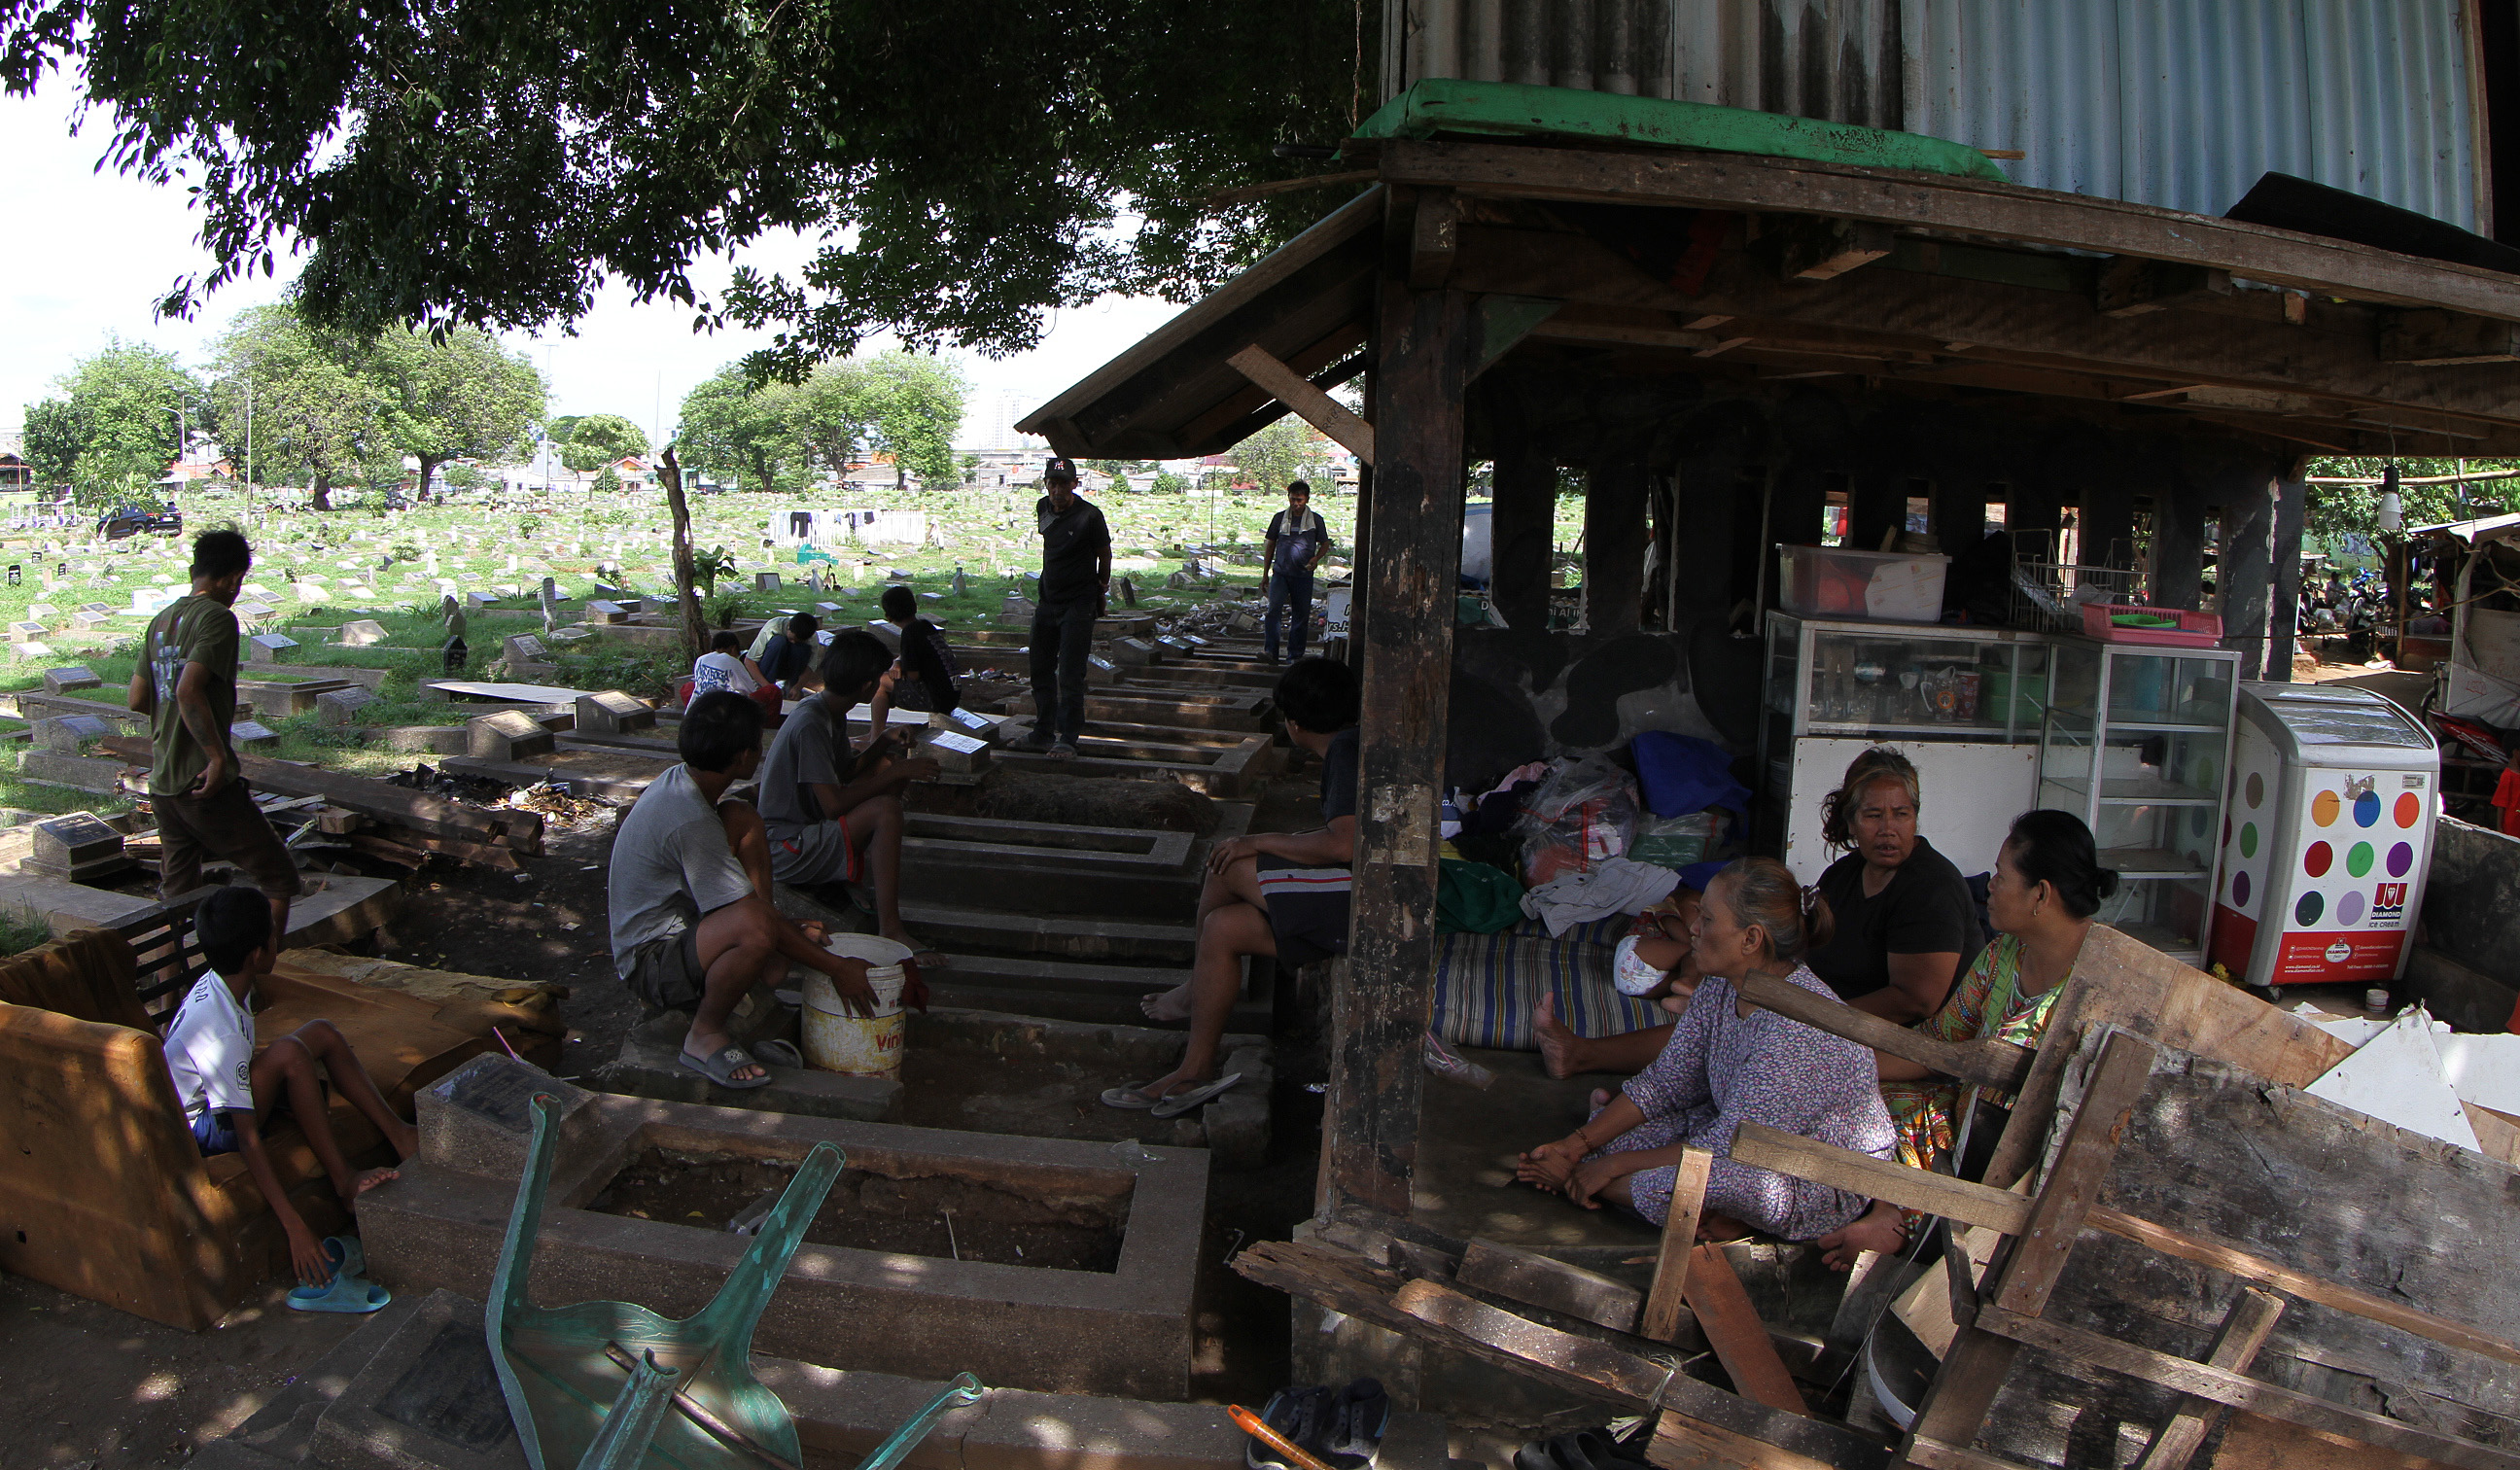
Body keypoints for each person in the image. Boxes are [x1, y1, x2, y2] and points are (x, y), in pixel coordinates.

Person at [1513, 858, 1907, 1268]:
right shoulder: (1720, 985)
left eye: (1707, 918)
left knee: (1683, 1182)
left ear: (1751, 939)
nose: (1694, 928)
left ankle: (1584, 1184)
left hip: (1808, 1178)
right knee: (1615, 1140)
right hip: (1730, 1131)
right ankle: (1629, 1186)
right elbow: (1665, 1083)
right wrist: (1575, 1144)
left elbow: (1726, 1149)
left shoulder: (1798, 1028)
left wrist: (1598, 1167)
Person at [1113, 656, 1359, 1113]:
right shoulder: (1352, 742)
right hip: (1356, 891)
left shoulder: (1345, 750)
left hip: (1364, 900)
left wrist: (1256, 840)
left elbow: (1343, 843)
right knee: (1224, 928)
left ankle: (1193, 991)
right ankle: (1195, 1069)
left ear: (1294, 723)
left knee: (1226, 863)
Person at [608, 689, 883, 1089]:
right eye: (758, 743)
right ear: (742, 758)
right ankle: (704, 1034)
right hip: (650, 963)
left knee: (743, 819)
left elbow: (740, 897)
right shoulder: (690, 820)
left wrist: (781, 929)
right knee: (754, 925)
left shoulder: (687, 783)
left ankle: (765, 949)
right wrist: (839, 968)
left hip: (685, 931)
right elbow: (745, 915)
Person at [164, 887, 416, 1286]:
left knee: (321, 1033)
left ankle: (401, 1135)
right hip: (205, 1126)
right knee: (291, 1054)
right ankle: (344, 1180)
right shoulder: (220, 1032)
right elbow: (246, 1139)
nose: (277, 938)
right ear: (257, 954)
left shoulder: (224, 982)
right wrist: (295, 1227)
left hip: (218, 1094)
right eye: (273, 934)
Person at [1880, 811, 2115, 1175]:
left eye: (2002, 876)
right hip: (1964, 1127)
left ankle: (1898, 1220)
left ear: (2040, 893)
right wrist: (1852, 1066)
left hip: (2029, 1165)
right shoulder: (2002, 954)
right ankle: (1895, 1217)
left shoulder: (2101, 984)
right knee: (1872, 1106)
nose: (1990, 885)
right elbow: (1940, 1044)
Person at [130, 529, 298, 947]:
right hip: (203, 784)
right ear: (230, 578)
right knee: (279, 877)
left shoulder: (161, 620)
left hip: (164, 785)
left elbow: (137, 698)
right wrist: (216, 756)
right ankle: (260, 972)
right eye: (238, 582)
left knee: (178, 896)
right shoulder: (218, 619)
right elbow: (189, 689)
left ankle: (173, 996)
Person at [752, 631, 939, 958]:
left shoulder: (827, 709)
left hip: (804, 832)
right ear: (867, 686)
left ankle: (847, 876)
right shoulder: (811, 722)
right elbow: (833, 805)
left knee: (887, 769)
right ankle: (891, 929)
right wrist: (897, 772)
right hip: (785, 846)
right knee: (886, 810)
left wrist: (883, 742)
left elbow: (846, 772)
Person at [1805, 747, 1983, 1022]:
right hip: (1841, 1028)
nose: (1888, 828)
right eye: (1874, 815)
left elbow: (1915, 1001)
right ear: (1851, 822)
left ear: (1915, 817)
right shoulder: (1841, 876)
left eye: (1901, 814)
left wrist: (1818, 1018)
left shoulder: (1932, 888)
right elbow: (1805, 945)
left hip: (1914, 1044)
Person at [1009, 457, 1110, 758]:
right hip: (1048, 601)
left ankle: (1067, 737)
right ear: (1046, 485)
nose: (1057, 491)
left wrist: (1100, 590)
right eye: (1052, 484)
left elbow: (1104, 556)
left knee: (1069, 672)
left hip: (1078, 604)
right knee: (1040, 669)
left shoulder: (1090, 517)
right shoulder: (1042, 507)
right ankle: (1042, 731)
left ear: (1074, 485)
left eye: (1063, 485)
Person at [1261, 479, 1330, 664]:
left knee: (1301, 616)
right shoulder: (1279, 518)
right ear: (1288, 498)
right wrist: (1265, 574)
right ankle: (1271, 652)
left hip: (1303, 576)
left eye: (1299, 500)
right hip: (1281, 573)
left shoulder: (1315, 520)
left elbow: (1325, 543)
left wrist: (1316, 558)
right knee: (1273, 612)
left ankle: (1295, 656)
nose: (1296, 504)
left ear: (1306, 499)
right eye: (1293, 500)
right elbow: (1270, 545)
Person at [881, 584, 961, 715]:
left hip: (936, 700)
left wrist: (900, 671)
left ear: (888, 616)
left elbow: (914, 675)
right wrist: (898, 661)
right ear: (915, 607)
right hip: (952, 694)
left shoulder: (909, 633)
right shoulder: (925, 626)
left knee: (880, 682)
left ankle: (876, 733)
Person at [758, 612, 821, 702]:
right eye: (791, 639)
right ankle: (764, 689)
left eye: (797, 641)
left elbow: (811, 666)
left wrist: (798, 686)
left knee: (802, 649)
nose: (793, 642)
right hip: (768, 664)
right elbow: (749, 660)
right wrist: (766, 686)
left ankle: (790, 690)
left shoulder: (812, 637)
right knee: (778, 642)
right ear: (788, 627)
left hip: (790, 667)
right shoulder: (773, 626)